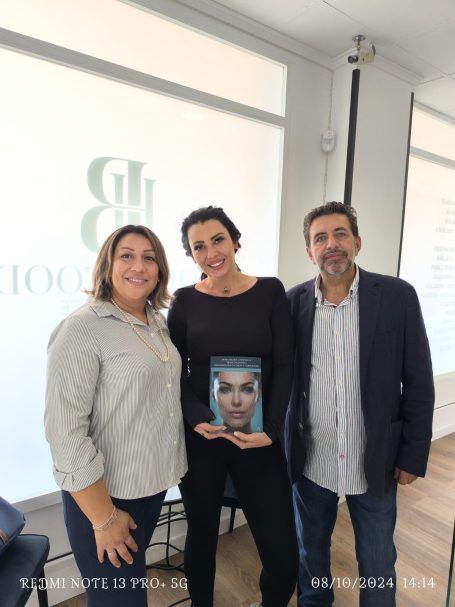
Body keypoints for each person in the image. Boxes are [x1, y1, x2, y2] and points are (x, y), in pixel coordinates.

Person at [285, 201, 434, 607]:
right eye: (320, 238)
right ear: (309, 251)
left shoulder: (397, 296)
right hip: (312, 463)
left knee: (378, 561)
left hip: (375, 461)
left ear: (357, 242)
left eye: (340, 234)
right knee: (311, 558)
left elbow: (419, 381)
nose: (331, 244)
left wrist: (412, 455)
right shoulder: (293, 302)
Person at [44, 225, 186, 607]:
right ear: (108, 265)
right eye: (126, 255)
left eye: (149, 258)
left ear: (160, 269)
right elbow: (65, 433)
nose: (138, 266)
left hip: (149, 487)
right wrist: (104, 518)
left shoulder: (156, 322)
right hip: (105, 498)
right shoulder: (82, 328)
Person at [167, 206, 298, 607]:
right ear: (191, 255)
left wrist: (272, 429)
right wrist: (196, 417)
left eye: (218, 240)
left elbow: (285, 363)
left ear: (235, 241)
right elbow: (173, 371)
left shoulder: (270, 291)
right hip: (203, 438)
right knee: (202, 539)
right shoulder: (184, 301)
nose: (211, 253)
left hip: (259, 438)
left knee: (282, 555)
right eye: (199, 247)